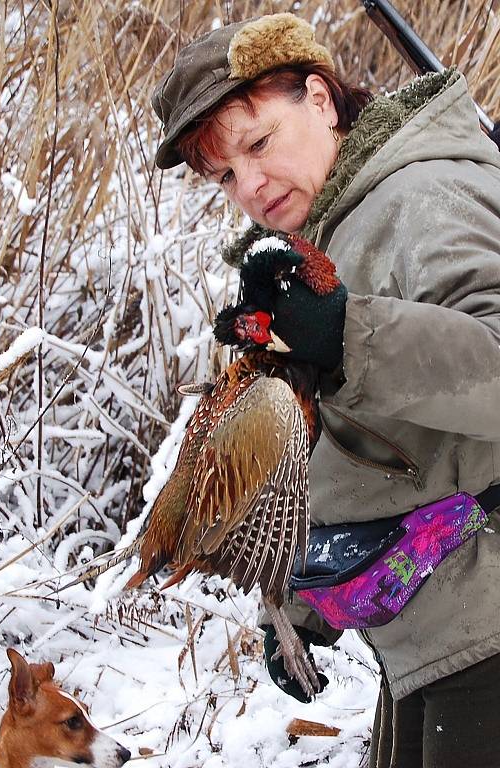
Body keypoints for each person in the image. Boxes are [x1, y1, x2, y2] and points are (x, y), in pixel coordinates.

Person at [151, 12, 500, 768]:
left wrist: (348, 338)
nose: (248, 185)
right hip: (435, 635)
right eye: (224, 175)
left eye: (258, 143)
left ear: (319, 96)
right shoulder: (335, 228)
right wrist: (307, 610)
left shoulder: (423, 194)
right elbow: (374, 450)